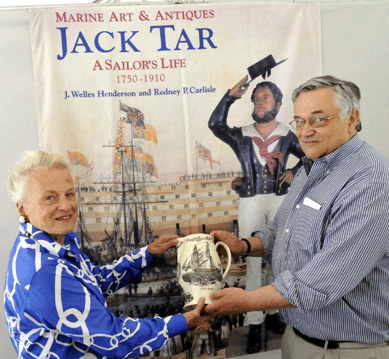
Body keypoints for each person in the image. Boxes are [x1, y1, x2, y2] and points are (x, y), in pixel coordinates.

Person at [205, 75, 389, 359]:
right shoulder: (311, 166)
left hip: (346, 351)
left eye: (318, 119)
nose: (305, 131)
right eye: (300, 121)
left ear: (352, 120)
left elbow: (318, 284)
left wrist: (247, 302)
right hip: (297, 339)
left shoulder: (371, 183)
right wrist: (243, 246)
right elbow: (282, 231)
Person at [4, 150, 211, 359]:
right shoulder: (46, 273)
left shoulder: (48, 244)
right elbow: (113, 338)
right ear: (22, 209)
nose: (66, 206)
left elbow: (94, 280)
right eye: (50, 198)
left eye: (69, 194)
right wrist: (182, 322)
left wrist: (147, 254)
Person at [209, 75, 304, 352]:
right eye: (256, 97)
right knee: (251, 260)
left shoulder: (287, 134)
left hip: (280, 200)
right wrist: (230, 96)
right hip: (251, 200)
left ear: (277, 102)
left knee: (279, 256)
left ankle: (274, 312)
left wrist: (294, 171)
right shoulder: (242, 134)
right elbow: (215, 125)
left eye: (266, 97)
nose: (260, 102)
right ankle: (253, 321)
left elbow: (311, 156)